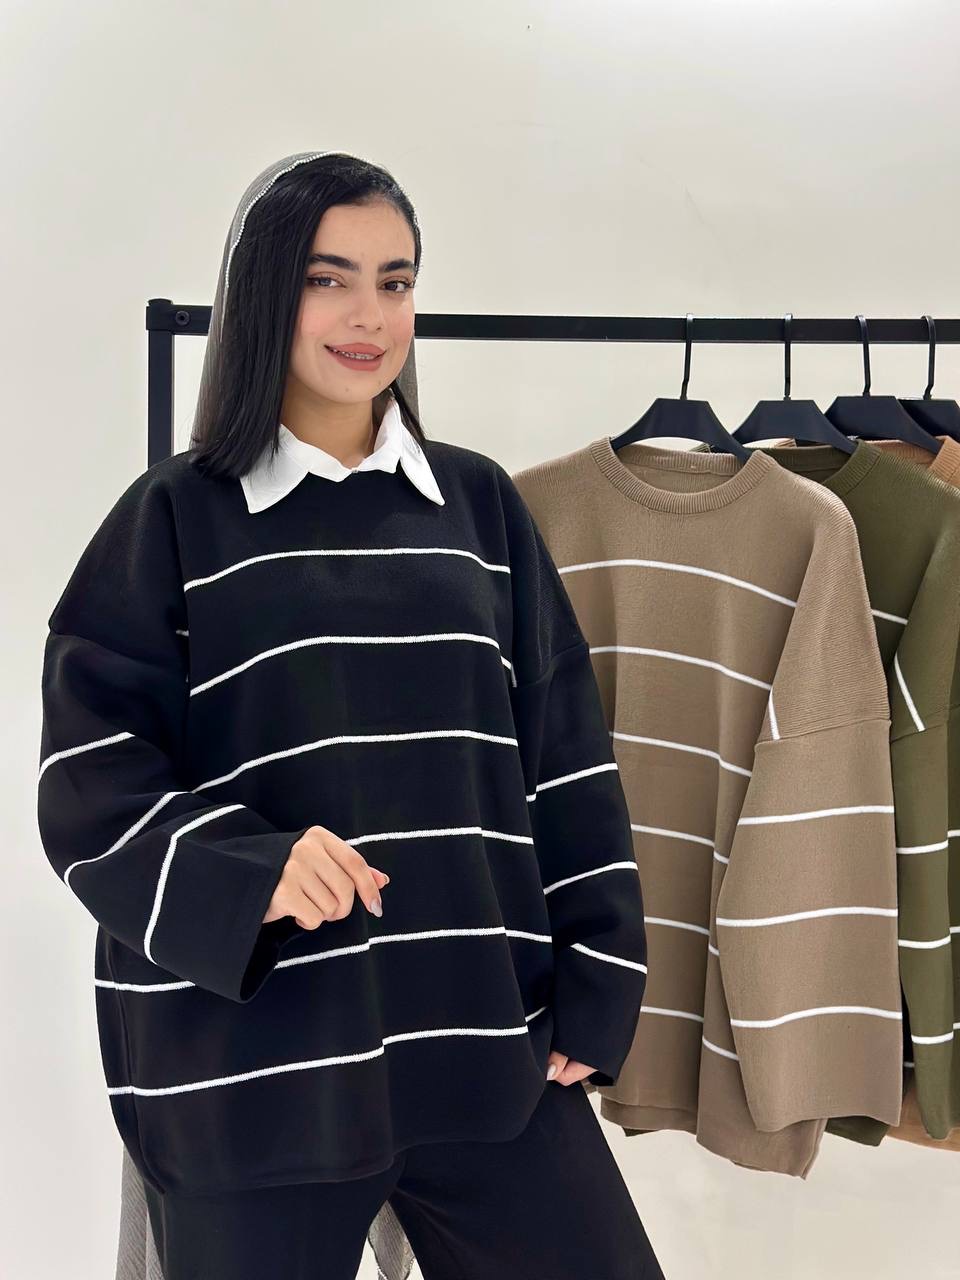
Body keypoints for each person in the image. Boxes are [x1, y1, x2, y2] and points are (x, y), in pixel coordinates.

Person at [38, 150, 665, 1280]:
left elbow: (566, 755)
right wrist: (252, 871)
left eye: (395, 279)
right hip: (259, 1074)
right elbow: (88, 783)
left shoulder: (478, 506)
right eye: (328, 279)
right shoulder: (172, 518)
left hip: (481, 1041)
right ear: (265, 294)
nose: (369, 315)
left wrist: (600, 975)